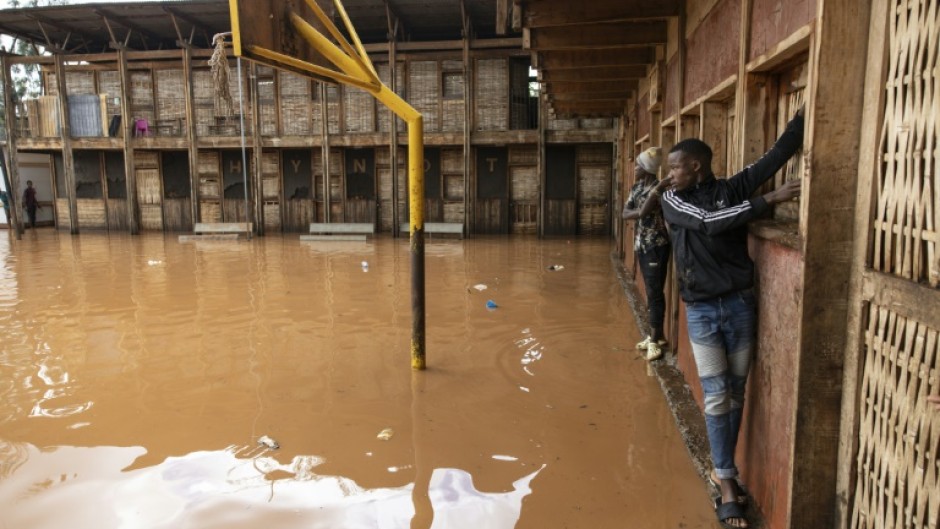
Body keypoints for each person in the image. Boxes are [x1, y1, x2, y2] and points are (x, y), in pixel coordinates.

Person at [654, 107, 805, 529]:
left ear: (696, 166)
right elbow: (708, 225)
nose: (669, 175)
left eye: (676, 167)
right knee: (718, 394)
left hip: (740, 304)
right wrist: (766, 201)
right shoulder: (672, 198)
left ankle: (727, 467)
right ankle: (726, 483)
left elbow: (776, 156)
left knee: (736, 391)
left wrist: (803, 118)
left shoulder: (731, 189)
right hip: (702, 310)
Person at [622, 146, 670, 361]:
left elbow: (640, 212)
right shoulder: (638, 187)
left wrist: (639, 211)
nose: (635, 168)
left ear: (648, 169)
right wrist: (637, 213)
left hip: (656, 246)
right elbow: (626, 214)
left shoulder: (661, 191)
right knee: (652, 291)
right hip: (641, 245)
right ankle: (654, 336)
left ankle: (655, 340)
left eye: (639, 165)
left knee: (655, 292)